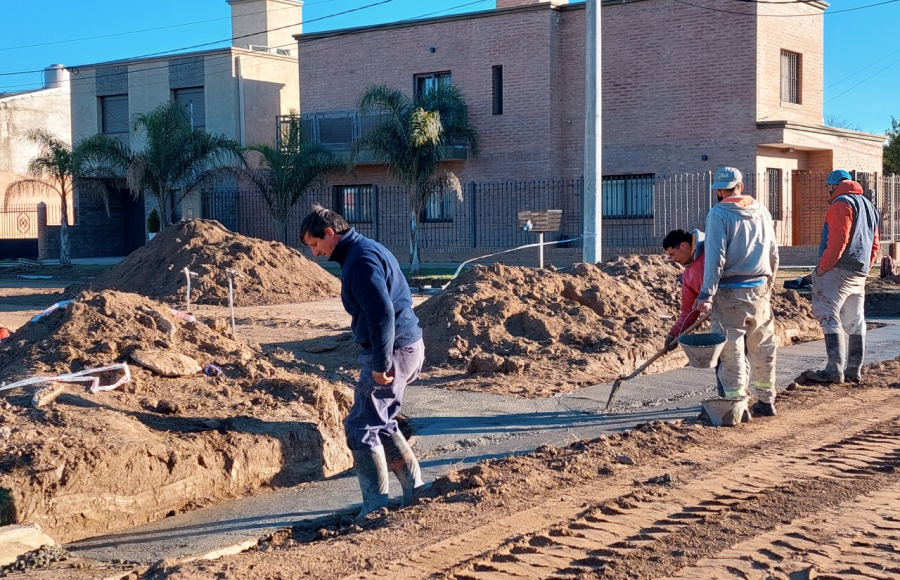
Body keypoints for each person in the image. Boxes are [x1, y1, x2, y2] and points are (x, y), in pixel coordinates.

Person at [300, 205, 426, 522]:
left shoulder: (360, 260)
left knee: (360, 426)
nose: (314, 254)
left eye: (314, 245)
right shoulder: (364, 250)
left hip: (393, 351)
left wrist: (381, 363)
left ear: (329, 233)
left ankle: (375, 507)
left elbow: (381, 314)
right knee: (380, 421)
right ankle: (416, 491)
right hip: (407, 346)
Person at [694, 167, 780, 417]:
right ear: (740, 186)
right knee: (763, 345)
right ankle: (766, 399)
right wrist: (769, 285)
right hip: (760, 288)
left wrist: (707, 293)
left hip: (729, 292)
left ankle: (736, 403)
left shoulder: (718, 214)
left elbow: (715, 258)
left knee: (731, 349)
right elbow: (773, 252)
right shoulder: (762, 211)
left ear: (719, 191)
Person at [805, 169, 880, 384]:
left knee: (827, 312)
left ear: (834, 185)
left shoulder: (841, 204)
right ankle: (853, 369)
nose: (829, 191)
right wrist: (866, 266)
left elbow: (838, 241)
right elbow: (874, 243)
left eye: (829, 187)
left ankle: (833, 370)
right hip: (860, 272)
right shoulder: (868, 205)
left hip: (838, 270)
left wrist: (821, 268)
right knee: (855, 320)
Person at [662, 228, 706, 351]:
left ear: (682, 246)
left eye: (672, 254)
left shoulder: (711, 249)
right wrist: (674, 334)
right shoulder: (688, 276)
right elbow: (689, 311)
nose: (673, 259)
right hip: (722, 317)